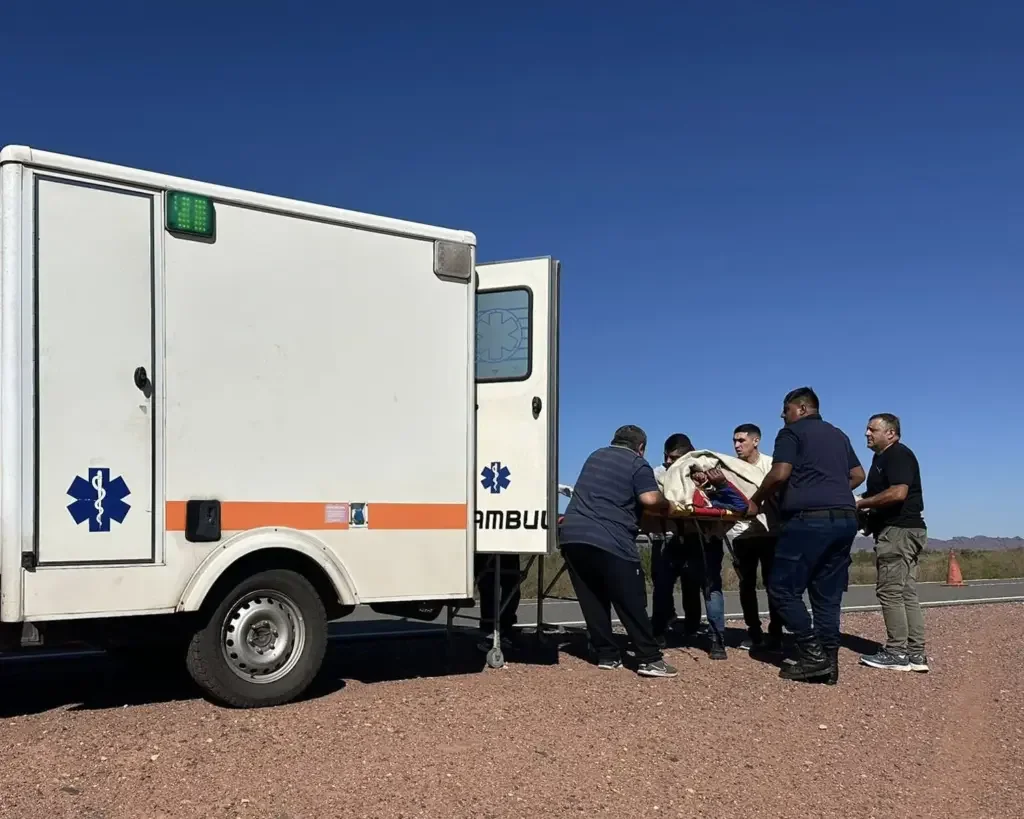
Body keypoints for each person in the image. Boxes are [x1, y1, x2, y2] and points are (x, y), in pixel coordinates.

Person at [747, 388, 865, 684]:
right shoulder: (838, 435)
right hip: (845, 520)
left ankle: (813, 655)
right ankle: (829, 663)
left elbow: (779, 473)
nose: (782, 415)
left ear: (801, 409)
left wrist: (756, 500)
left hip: (808, 521)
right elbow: (858, 475)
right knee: (827, 594)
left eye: (785, 410)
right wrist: (832, 490)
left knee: (782, 589)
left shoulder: (791, 432)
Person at [559, 425, 678, 678]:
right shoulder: (637, 464)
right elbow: (649, 499)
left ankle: (607, 655)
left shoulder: (595, 456)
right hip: (610, 539)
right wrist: (670, 504)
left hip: (572, 535)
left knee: (592, 598)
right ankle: (649, 658)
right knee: (630, 599)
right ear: (641, 447)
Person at [855, 414, 929, 673]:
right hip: (905, 531)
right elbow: (879, 493)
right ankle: (916, 654)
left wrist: (861, 504)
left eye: (872, 429)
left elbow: (898, 493)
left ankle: (897, 652)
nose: (867, 433)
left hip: (898, 532)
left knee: (890, 591)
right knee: (905, 591)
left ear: (891, 433)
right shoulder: (881, 458)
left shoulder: (897, 455)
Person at [727, 424, 783, 652]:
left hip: (770, 533)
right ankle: (754, 633)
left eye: (741, 440)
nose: (737, 445)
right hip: (742, 535)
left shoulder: (772, 465)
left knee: (773, 585)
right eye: (735, 441)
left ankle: (776, 634)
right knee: (746, 585)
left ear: (756, 441)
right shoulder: (731, 468)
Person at [649, 434, 703, 647]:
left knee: (691, 586)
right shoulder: (657, 473)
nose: (668, 461)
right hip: (664, 537)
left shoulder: (697, 471)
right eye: (666, 456)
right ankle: (659, 629)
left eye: (673, 457)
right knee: (662, 586)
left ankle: (692, 628)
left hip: (692, 536)